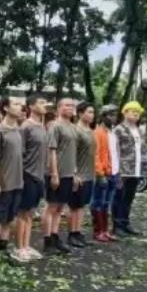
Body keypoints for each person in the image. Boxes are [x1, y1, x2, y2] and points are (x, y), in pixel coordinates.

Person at [0, 95, 25, 259]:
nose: (20, 107)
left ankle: (3, 253)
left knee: (9, 220)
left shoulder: (18, 130)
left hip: (17, 183)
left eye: (20, 104)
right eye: (15, 104)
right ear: (6, 108)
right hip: (3, 184)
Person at [15, 93, 50, 261]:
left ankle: (27, 245)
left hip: (39, 176)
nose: (45, 105)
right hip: (27, 174)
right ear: (31, 106)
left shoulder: (42, 126)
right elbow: (19, 154)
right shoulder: (25, 127)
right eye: (41, 102)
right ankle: (19, 247)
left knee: (30, 213)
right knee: (22, 213)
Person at [42, 97, 78, 255]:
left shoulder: (73, 127)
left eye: (72, 105)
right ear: (59, 108)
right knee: (51, 206)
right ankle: (47, 240)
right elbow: (52, 151)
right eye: (66, 105)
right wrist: (54, 174)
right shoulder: (55, 126)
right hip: (57, 172)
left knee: (60, 207)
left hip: (69, 173)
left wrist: (75, 173)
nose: (70, 108)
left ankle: (55, 235)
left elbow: (73, 151)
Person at [111, 101, 146, 236]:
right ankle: (117, 225)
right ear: (125, 113)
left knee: (129, 199)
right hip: (123, 170)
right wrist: (116, 171)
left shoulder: (139, 130)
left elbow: (141, 150)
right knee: (119, 198)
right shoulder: (118, 129)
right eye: (133, 111)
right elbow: (114, 151)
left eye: (138, 112)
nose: (136, 114)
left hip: (135, 170)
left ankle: (125, 222)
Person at [67, 101, 96, 247]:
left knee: (82, 206)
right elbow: (71, 153)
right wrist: (74, 173)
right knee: (74, 206)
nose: (92, 115)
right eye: (89, 112)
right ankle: (71, 234)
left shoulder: (90, 130)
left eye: (93, 112)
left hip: (89, 174)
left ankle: (78, 232)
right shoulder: (76, 131)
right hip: (79, 175)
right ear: (80, 113)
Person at [91, 104, 120, 244]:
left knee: (107, 204)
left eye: (115, 115)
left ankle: (105, 230)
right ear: (103, 116)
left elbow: (114, 154)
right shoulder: (98, 133)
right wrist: (100, 174)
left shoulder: (112, 132)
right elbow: (95, 155)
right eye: (110, 115)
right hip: (103, 173)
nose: (114, 117)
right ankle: (98, 231)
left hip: (113, 172)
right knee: (98, 202)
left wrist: (118, 172)